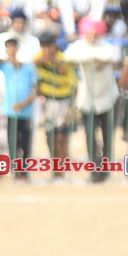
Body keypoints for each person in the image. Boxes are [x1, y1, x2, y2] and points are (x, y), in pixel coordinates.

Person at [64, 18, 120, 173]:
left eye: (94, 33)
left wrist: (90, 57)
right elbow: (68, 56)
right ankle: (94, 167)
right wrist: (94, 58)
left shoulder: (106, 46)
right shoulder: (78, 46)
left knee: (108, 135)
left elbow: (110, 56)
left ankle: (106, 168)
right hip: (87, 98)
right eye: (88, 33)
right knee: (90, 135)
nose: (91, 37)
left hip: (108, 97)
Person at [0, 37, 37, 179]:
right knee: (12, 142)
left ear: (17, 48)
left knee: (25, 142)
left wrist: (22, 104)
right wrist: (8, 60)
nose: (11, 49)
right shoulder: (5, 66)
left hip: (25, 112)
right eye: (8, 47)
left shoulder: (28, 67)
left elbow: (35, 89)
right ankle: (15, 171)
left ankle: (24, 172)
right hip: (10, 111)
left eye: (13, 47)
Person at [34, 31, 75, 180]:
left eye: (49, 46)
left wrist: (72, 107)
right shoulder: (39, 57)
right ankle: (55, 169)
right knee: (50, 137)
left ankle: (61, 172)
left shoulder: (65, 59)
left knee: (61, 138)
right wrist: (52, 61)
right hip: (47, 102)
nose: (46, 50)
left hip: (63, 101)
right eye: (43, 46)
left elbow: (72, 83)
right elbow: (34, 62)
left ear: (55, 46)